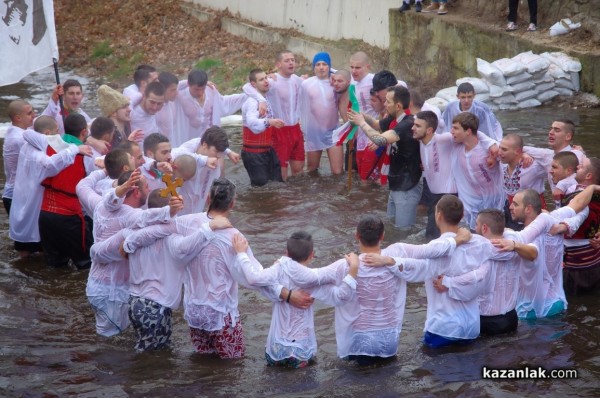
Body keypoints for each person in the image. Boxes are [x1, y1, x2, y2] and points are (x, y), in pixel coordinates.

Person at [89, 191, 231, 351]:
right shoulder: (172, 238)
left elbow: (97, 252)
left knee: (146, 352)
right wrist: (208, 228)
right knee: (154, 359)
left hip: (134, 303)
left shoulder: (130, 234)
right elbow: (187, 248)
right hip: (156, 307)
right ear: (168, 210)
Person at [78, 170, 182, 337]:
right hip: (112, 292)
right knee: (112, 343)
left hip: (96, 286)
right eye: (147, 187)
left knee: (110, 337)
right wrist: (169, 212)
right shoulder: (131, 215)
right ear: (135, 191)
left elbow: (82, 186)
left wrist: (104, 171)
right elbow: (147, 217)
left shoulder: (100, 205)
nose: (149, 191)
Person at [232, 231, 359, 368]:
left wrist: (241, 253)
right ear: (311, 255)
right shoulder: (314, 279)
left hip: (276, 347)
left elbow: (253, 278)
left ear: (286, 252)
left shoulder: (278, 269)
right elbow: (341, 296)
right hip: (301, 348)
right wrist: (353, 271)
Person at [438, 209, 537, 336]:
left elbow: (473, 278)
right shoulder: (516, 247)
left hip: (486, 320)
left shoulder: (478, 250)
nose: (474, 228)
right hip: (511, 317)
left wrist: (447, 282)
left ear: (484, 228)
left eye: (477, 225)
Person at [504, 186, 598, 319]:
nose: (510, 207)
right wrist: (592, 187)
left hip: (531, 312)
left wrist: (502, 232)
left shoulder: (541, 224)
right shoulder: (554, 220)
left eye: (515, 204)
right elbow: (578, 205)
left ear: (528, 208)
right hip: (555, 304)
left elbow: (521, 241)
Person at [9, 116, 92, 258]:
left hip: (25, 204)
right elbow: (51, 165)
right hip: (36, 207)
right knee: (37, 252)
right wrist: (74, 149)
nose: (59, 136)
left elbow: (28, 133)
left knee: (29, 255)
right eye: (56, 131)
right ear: (47, 134)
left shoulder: (27, 145)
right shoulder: (38, 154)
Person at [350, 86, 422, 229]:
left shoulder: (407, 124)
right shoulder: (394, 119)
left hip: (407, 186)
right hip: (396, 184)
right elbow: (377, 124)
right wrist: (363, 116)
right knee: (390, 227)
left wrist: (361, 123)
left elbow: (380, 140)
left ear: (398, 106)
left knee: (403, 231)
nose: (384, 104)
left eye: (387, 102)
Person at [38, 114, 93, 269]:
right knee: (86, 265)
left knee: (55, 266)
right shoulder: (87, 155)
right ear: (83, 132)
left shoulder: (47, 146)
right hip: (69, 217)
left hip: (45, 214)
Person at [243, 50, 305, 181]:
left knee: (299, 170)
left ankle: (298, 199)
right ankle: (282, 199)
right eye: (287, 60)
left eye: (293, 60)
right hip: (279, 130)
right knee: (281, 172)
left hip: (296, 129)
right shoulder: (272, 81)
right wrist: (261, 100)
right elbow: (247, 87)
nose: (291, 63)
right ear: (278, 64)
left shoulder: (297, 80)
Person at [451, 112, 504, 230]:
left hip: (496, 201)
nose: (451, 131)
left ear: (468, 131)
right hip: (471, 204)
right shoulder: (456, 147)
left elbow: (514, 151)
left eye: (455, 128)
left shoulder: (490, 150)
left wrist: (525, 155)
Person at [174, 69, 246, 147]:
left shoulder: (210, 91)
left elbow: (224, 103)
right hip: (185, 143)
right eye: (196, 89)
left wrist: (251, 95)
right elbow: (164, 87)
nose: (200, 93)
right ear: (189, 84)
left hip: (207, 143)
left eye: (203, 88)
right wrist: (185, 82)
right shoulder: (178, 94)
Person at [301, 52, 343, 175]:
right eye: (318, 64)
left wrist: (335, 74)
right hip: (314, 132)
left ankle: (336, 194)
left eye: (324, 64)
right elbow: (298, 105)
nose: (321, 67)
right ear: (314, 67)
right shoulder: (306, 84)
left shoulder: (336, 83)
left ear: (329, 67)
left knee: (337, 172)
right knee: (311, 170)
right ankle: (314, 194)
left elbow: (348, 81)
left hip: (333, 131)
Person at [240, 68, 284, 186]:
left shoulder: (264, 98)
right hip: (254, 154)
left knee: (277, 184)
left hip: (267, 151)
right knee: (261, 191)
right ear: (253, 84)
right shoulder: (252, 102)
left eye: (266, 78)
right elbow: (252, 124)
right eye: (261, 79)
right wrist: (269, 122)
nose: (266, 81)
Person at [498, 133, 547, 230]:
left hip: (531, 214)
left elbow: (553, 156)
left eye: (504, 150)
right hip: (510, 211)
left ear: (517, 151)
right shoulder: (501, 163)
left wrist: (526, 151)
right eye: (500, 148)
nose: (499, 152)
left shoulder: (533, 166)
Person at [3, 100, 36, 215]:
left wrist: (54, 101)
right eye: (29, 113)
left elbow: (39, 124)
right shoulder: (19, 139)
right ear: (18, 118)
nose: (34, 115)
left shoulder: (18, 132)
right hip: (16, 196)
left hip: (15, 194)